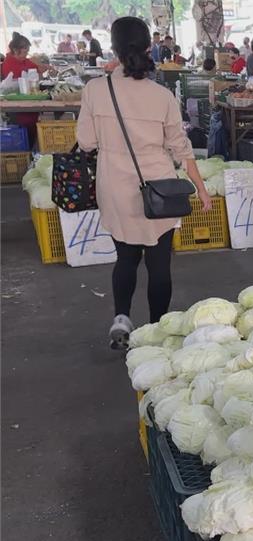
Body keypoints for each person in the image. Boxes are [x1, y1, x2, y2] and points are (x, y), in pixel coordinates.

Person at [75, 16, 212, 349]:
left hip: (117, 188)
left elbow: (86, 142)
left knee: (125, 257)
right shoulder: (162, 95)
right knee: (159, 263)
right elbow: (181, 149)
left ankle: (121, 318)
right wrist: (202, 189)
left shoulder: (96, 89)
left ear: (115, 48)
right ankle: (156, 330)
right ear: (150, 46)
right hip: (159, 190)